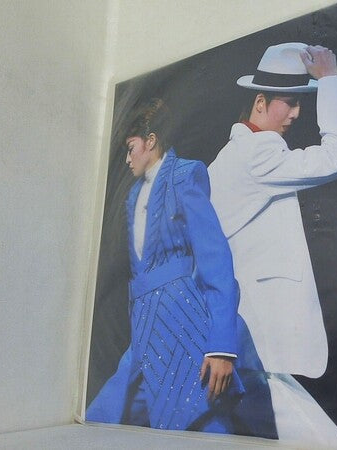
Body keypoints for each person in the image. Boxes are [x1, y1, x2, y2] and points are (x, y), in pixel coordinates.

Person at [208, 42, 337, 447]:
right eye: (289, 102)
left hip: (245, 342)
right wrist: (331, 82)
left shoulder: (229, 156)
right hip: (257, 345)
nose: (296, 114)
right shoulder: (257, 154)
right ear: (260, 102)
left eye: (300, 103)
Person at [86, 99, 243, 434]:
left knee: (201, 417)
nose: (127, 159)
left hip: (183, 324)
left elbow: (216, 259)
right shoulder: (132, 196)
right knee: (103, 416)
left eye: (131, 149)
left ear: (151, 141)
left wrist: (222, 347)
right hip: (144, 329)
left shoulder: (185, 176)